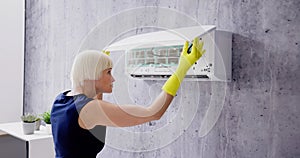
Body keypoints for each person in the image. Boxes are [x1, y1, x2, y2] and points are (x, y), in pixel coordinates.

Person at [50, 37, 205, 158]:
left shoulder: (61, 100)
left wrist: (101, 66)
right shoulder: (89, 109)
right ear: (93, 74)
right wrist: (182, 68)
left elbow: (92, 109)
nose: (113, 79)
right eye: (108, 72)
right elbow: (153, 112)